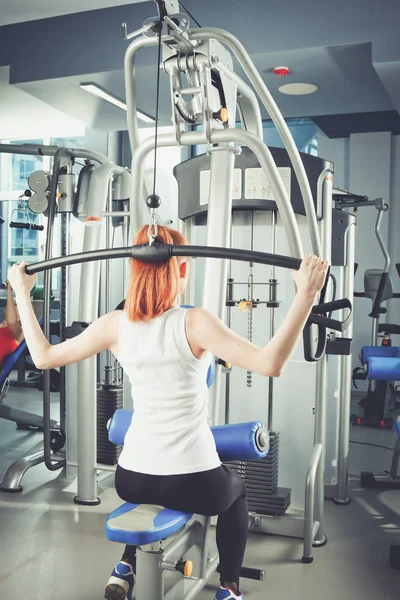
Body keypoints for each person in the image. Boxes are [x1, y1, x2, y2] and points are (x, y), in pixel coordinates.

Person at [8, 224, 329, 600]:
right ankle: (229, 587)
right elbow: (270, 363)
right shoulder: (195, 322)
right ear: (180, 269)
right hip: (194, 483)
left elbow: (44, 357)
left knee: (151, 493)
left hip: (131, 478)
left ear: (136, 269)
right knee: (236, 490)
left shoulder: (115, 325)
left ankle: (127, 564)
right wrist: (305, 295)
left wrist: (21, 293)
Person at [0, 280, 24, 366]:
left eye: (16, 305)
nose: (12, 304)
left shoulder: (19, 332)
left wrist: (9, 291)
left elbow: (12, 322)